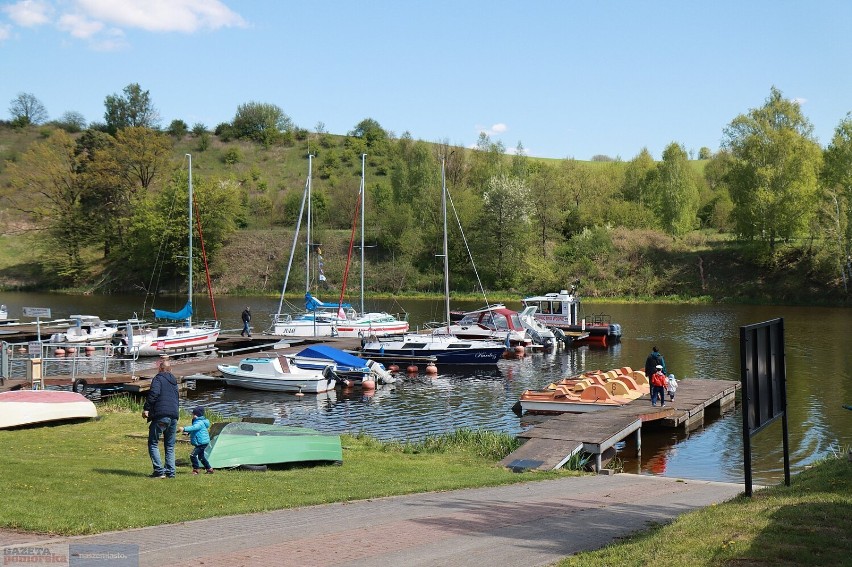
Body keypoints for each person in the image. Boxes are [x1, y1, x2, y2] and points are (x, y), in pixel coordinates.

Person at [143, 358, 180, 478]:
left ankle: (159, 471)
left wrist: (146, 408)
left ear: (160, 368)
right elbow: (177, 398)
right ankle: (170, 472)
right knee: (169, 445)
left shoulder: (158, 378)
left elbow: (154, 393)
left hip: (161, 415)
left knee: (153, 442)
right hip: (174, 416)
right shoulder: (174, 381)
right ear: (171, 370)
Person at [179, 406, 214, 475]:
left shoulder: (199, 422)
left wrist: (184, 429)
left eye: (193, 414)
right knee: (201, 457)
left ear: (196, 415)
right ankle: (209, 469)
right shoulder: (199, 421)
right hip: (203, 442)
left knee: (192, 455)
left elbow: (194, 427)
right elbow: (195, 430)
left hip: (201, 443)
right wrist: (188, 433)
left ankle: (196, 470)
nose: (192, 415)